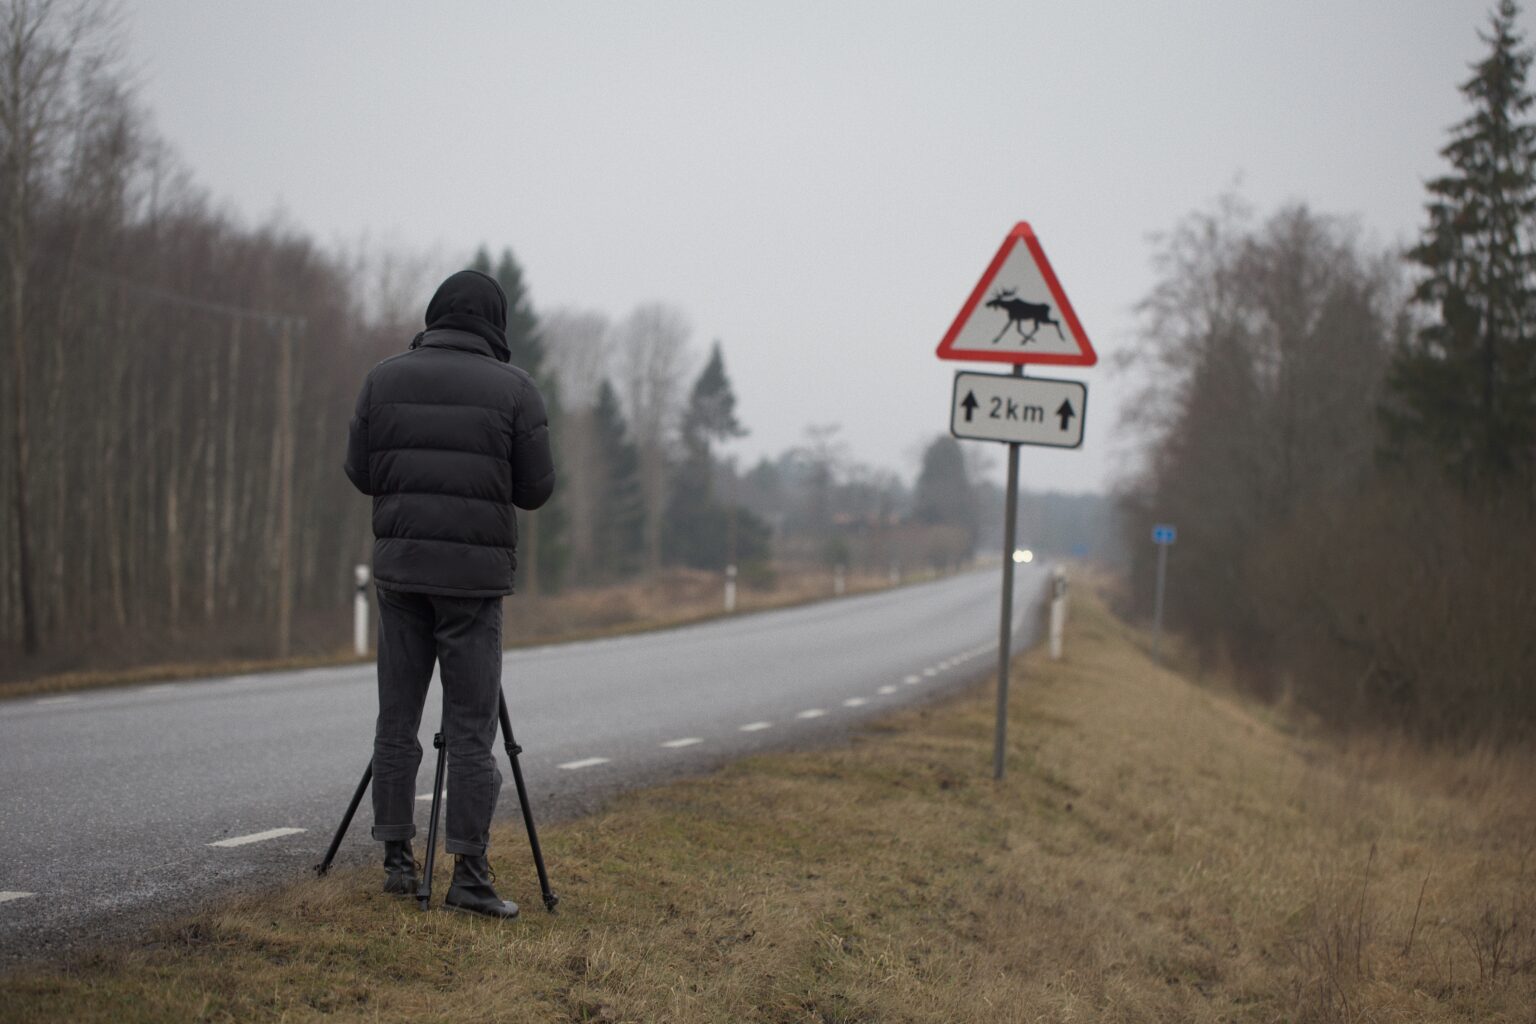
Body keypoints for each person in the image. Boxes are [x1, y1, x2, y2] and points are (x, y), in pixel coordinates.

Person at [344, 269, 555, 919]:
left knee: (397, 718)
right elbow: (535, 490)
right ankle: (468, 871)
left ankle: (397, 861)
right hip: (473, 584)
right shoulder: (516, 390)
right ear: (496, 325)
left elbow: (359, 471)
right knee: (470, 727)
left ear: (435, 314)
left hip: (402, 574)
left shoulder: (384, 378)